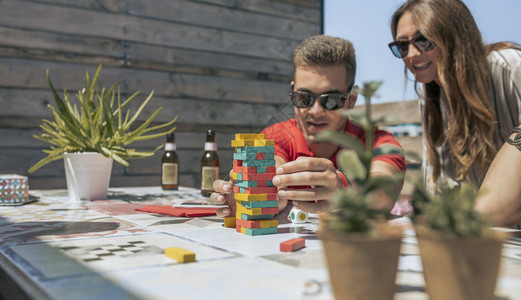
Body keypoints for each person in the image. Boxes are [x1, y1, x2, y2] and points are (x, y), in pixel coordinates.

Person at [211, 35, 406, 218]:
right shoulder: (276, 136)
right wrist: (254, 194)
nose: (315, 110)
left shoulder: (378, 142)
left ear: (351, 100)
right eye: (303, 98)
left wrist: (345, 188)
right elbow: (271, 165)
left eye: (330, 100)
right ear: (292, 92)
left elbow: (385, 189)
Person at [389, 0, 521, 226]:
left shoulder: (507, 65)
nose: (410, 54)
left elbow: (490, 209)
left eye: (422, 40)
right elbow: (439, 184)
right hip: (483, 236)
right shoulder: (430, 94)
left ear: (454, 35)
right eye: (402, 46)